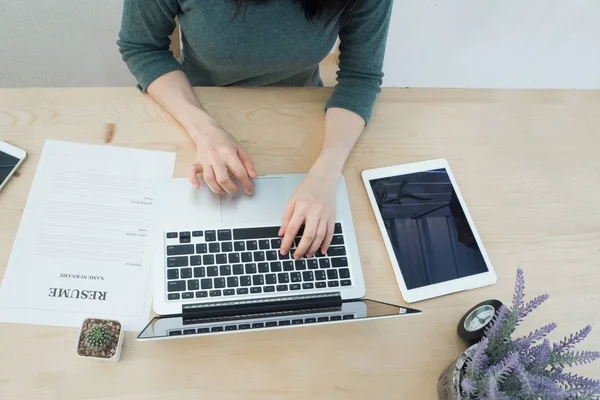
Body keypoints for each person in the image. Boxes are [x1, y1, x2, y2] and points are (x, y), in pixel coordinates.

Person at [117, 0, 393, 260]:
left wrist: (326, 172)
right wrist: (204, 130)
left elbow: (361, 75)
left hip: (303, 117)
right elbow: (142, 46)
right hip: (193, 109)